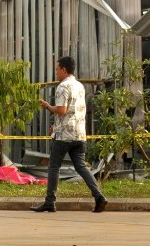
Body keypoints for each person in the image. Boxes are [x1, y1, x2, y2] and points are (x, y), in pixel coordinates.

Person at [30, 56, 108, 213]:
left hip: (64, 135)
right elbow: (72, 111)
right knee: (81, 166)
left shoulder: (62, 87)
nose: (56, 73)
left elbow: (61, 110)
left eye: (57, 69)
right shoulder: (79, 86)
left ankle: (49, 202)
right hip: (79, 133)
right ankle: (99, 196)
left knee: (53, 166)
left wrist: (47, 106)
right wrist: (56, 125)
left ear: (64, 69)